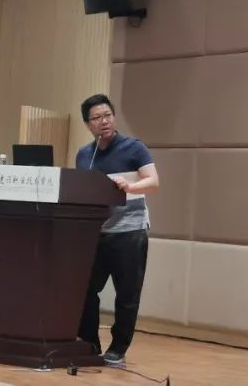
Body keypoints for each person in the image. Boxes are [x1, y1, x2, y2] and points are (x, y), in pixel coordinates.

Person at [74, 94, 159, 365]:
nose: (104, 122)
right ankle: (89, 343)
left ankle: (118, 348)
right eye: (97, 118)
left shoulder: (134, 148)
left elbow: (153, 181)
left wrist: (130, 186)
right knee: (85, 289)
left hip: (130, 232)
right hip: (97, 233)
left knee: (127, 295)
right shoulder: (85, 155)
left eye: (107, 115)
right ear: (88, 124)